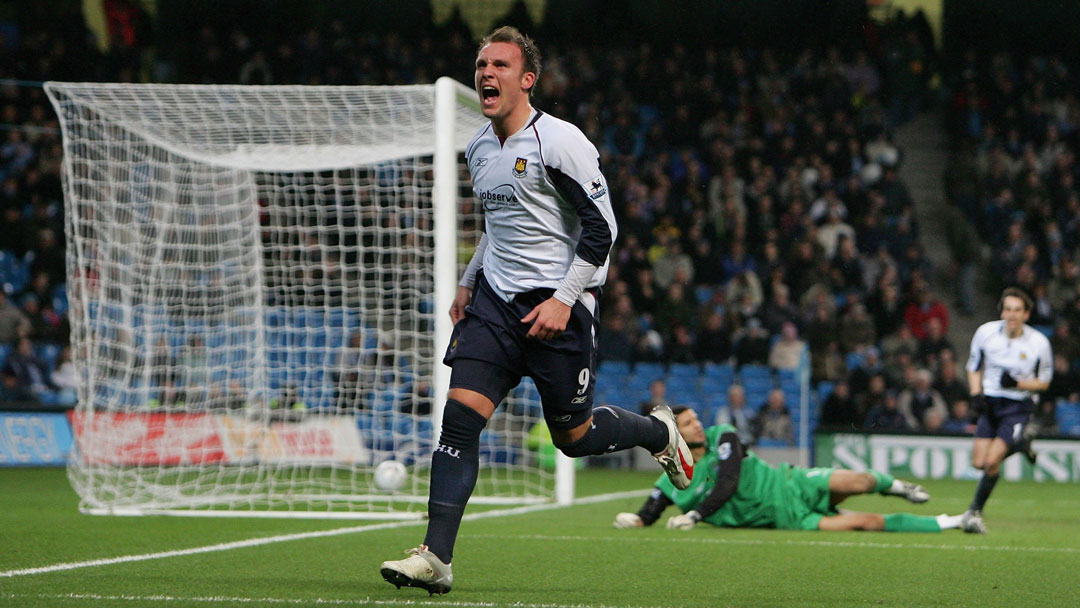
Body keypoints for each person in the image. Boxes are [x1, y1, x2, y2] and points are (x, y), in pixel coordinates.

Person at [380, 26, 693, 596]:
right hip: (496, 307)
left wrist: (563, 299)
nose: (485, 73)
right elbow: (497, 229)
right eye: (481, 64)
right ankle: (436, 556)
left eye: (499, 65)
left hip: (560, 307)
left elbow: (604, 229)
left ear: (527, 80)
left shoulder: (560, 142)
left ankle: (656, 431)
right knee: (459, 421)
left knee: (571, 438)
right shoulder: (478, 147)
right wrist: (468, 284)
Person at [613, 408, 970, 533]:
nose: (698, 426)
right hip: (785, 516)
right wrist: (637, 519)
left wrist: (696, 514)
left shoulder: (725, 435)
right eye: (688, 423)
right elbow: (652, 509)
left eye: (696, 419)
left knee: (860, 480)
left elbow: (728, 481)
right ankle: (950, 521)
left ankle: (898, 487)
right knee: (865, 522)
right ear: (676, 431)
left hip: (790, 482)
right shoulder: (669, 478)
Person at [962, 288, 1052, 533]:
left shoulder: (1039, 343)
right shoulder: (986, 333)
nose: (1011, 315)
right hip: (990, 403)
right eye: (1008, 309)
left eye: (1017, 310)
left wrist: (1018, 384)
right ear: (1002, 311)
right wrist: (975, 395)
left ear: (1026, 314)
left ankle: (974, 511)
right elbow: (973, 366)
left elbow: (1044, 381)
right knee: (979, 462)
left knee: (992, 461)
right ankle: (1021, 443)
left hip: (1017, 405)